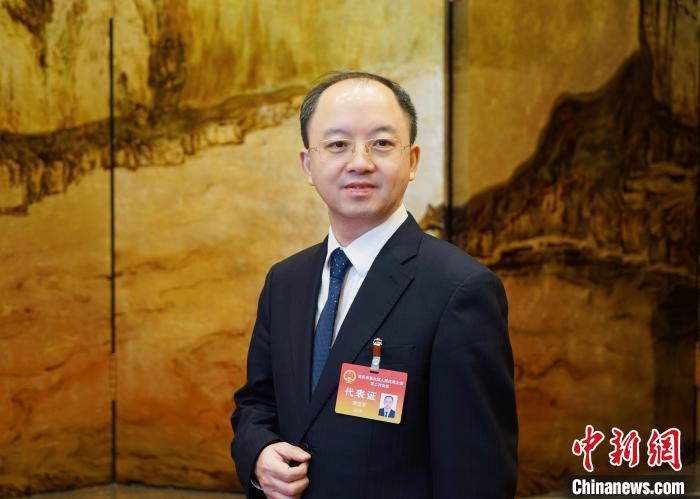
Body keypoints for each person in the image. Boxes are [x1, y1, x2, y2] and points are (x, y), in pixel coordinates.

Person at [231, 71, 518, 499]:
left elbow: (477, 473)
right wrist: (258, 454)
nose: (360, 162)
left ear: (413, 160)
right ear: (308, 165)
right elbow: (257, 402)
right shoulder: (285, 281)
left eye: (381, 143)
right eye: (337, 145)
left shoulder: (461, 290)